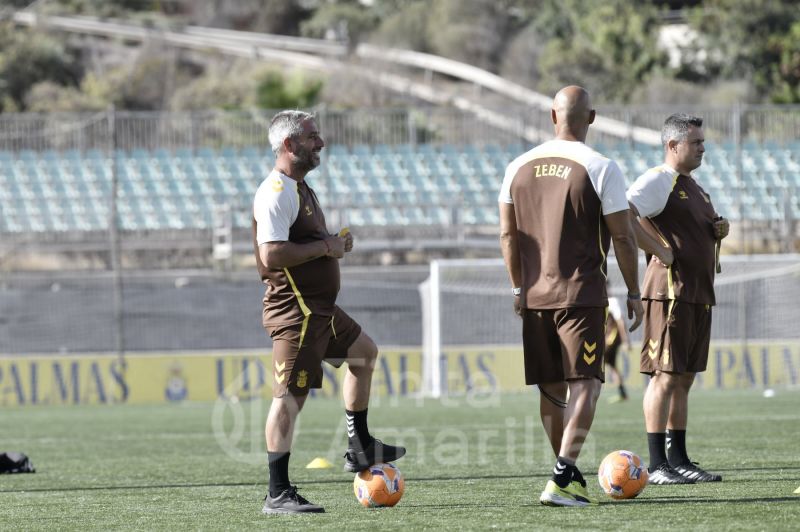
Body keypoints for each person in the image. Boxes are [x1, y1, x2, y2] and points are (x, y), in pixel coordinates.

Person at [498, 85, 644, 507]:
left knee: (549, 390)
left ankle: (565, 473)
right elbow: (623, 235)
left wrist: (517, 286)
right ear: (592, 118)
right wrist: (634, 290)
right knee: (587, 383)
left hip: (535, 295)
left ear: (552, 116)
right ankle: (562, 477)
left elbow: (507, 234)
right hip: (580, 292)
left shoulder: (517, 166)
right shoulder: (601, 166)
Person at [253, 110, 405, 514]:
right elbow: (271, 253)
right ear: (289, 145)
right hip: (297, 313)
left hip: (320, 309)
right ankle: (278, 492)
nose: (320, 142)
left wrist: (332, 241)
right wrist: (325, 248)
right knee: (289, 399)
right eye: (311, 136)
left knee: (364, 353)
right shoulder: (275, 191)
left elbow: (301, 241)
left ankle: (359, 445)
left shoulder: (300, 187)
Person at [626, 113, 729, 485]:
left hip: (696, 295)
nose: (703, 148)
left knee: (682, 379)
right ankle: (656, 466)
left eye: (703, 141)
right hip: (669, 293)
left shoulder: (694, 187)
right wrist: (658, 249)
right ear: (672, 145)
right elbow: (623, 213)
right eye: (696, 142)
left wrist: (719, 229)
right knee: (664, 378)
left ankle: (678, 458)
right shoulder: (659, 180)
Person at [604, 285, 632, 403]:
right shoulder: (600, 301)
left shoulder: (612, 301)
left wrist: (626, 341)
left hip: (612, 339)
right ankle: (622, 392)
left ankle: (578, 391)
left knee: (597, 361)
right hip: (607, 339)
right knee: (612, 365)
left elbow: (620, 321)